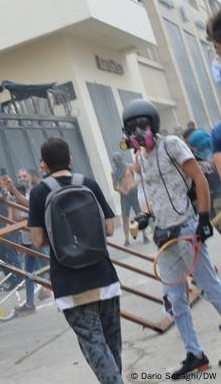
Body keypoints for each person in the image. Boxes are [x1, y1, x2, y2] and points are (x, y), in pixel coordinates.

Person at [123, 99, 221, 378]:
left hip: (187, 228)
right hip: (163, 236)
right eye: (131, 129)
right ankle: (195, 354)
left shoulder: (172, 144)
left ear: (153, 124)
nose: (137, 134)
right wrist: (145, 216)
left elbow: (199, 179)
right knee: (176, 299)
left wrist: (203, 218)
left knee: (210, 287)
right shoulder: (140, 157)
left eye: (141, 126)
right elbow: (155, 194)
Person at [28, 138, 122, 384]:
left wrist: (63, 239)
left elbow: (37, 240)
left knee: (92, 342)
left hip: (70, 283)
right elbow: (110, 228)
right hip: (104, 276)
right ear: (70, 160)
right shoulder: (88, 184)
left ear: (44, 165)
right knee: (110, 343)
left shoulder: (39, 193)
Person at [4, 169, 50, 314]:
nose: (22, 178)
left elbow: (31, 208)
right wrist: (10, 202)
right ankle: (30, 303)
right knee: (29, 273)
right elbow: (15, 219)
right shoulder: (18, 196)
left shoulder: (35, 192)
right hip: (27, 240)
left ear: (31, 177)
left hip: (39, 238)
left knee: (50, 267)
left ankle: (59, 289)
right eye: (19, 177)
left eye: (24, 176)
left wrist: (12, 192)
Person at [111, 153, 149, 246]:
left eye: (118, 160)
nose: (117, 162)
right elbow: (115, 186)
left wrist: (131, 186)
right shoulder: (114, 173)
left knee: (139, 215)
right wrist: (122, 190)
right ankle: (127, 239)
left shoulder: (130, 167)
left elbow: (137, 179)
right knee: (125, 217)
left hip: (134, 193)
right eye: (115, 161)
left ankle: (145, 235)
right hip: (124, 196)